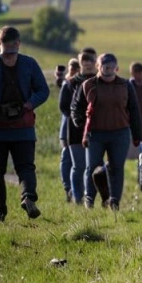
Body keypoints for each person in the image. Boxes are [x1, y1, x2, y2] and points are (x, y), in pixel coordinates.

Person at [0, 26, 49, 222]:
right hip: (23, 128)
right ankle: (28, 197)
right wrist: (30, 103)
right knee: (26, 168)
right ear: (18, 43)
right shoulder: (29, 63)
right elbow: (43, 91)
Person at [71, 53, 142, 210]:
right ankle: (89, 200)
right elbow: (76, 107)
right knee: (92, 167)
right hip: (95, 135)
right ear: (98, 66)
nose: (108, 69)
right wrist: (81, 123)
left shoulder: (125, 85)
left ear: (117, 68)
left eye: (111, 67)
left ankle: (114, 201)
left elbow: (134, 110)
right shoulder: (88, 85)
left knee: (116, 168)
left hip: (120, 134)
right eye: (105, 66)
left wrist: (137, 135)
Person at [59, 50, 97, 204]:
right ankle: (77, 197)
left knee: (94, 166)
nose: (87, 68)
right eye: (85, 65)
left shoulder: (100, 82)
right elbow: (64, 106)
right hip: (75, 129)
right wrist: (79, 117)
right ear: (80, 64)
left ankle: (91, 197)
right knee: (78, 166)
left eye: (90, 65)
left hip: (97, 129)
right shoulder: (71, 83)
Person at [58, 57, 80, 202]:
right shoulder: (67, 84)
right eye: (71, 69)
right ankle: (68, 189)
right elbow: (63, 107)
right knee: (67, 158)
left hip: (78, 127)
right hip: (67, 127)